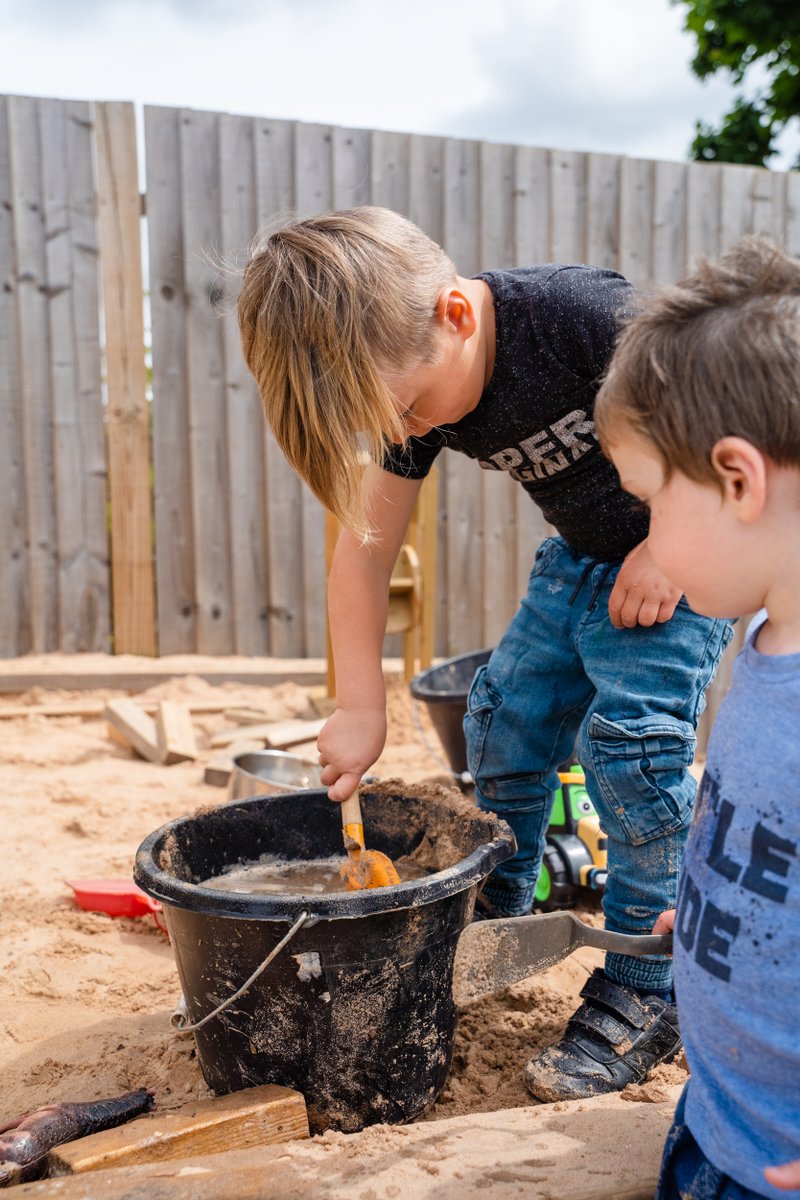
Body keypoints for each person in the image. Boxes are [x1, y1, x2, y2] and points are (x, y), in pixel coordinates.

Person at [237, 206, 732, 1102]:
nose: (406, 427)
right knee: (501, 720)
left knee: (630, 754)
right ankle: (499, 909)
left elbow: (723, 421)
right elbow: (364, 550)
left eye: (408, 408)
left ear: (457, 316)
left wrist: (669, 543)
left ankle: (646, 982)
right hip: (578, 561)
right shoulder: (413, 372)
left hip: (683, 561)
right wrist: (360, 705)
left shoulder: (581, 318)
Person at [594, 234, 800, 1198]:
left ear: (737, 481)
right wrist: (734, 920)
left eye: (649, 503)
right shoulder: (763, 635)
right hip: (716, 1123)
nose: (648, 538)